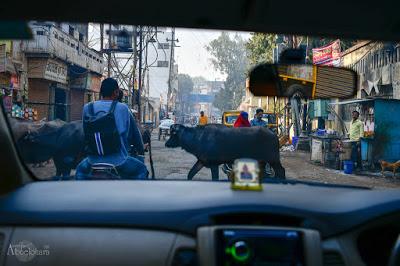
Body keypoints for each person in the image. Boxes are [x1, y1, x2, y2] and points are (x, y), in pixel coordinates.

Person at [76, 78, 148, 180]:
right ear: (116, 92)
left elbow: (84, 133)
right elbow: (135, 136)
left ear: (101, 92)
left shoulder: (87, 108)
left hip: (92, 161)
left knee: (79, 171)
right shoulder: (123, 108)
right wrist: (141, 149)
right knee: (141, 170)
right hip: (119, 161)